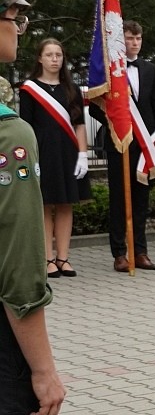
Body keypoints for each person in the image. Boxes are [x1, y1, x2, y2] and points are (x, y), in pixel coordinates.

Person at [0, 0, 67, 415]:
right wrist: (43, 370)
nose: (19, 23)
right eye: (13, 13)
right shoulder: (9, 134)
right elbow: (20, 269)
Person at [93, 21, 155, 272]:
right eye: (129, 38)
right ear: (120, 41)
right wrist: (114, 121)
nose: (134, 42)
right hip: (120, 141)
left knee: (141, 198)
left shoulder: (149, 69)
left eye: (138, 38)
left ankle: (141, 250)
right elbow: (94, 103)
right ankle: (119, 253)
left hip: (145, 144)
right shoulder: (111, 70)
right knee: (118, 198)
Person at [18, 39, 90, 278]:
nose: (54, 59)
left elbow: (79, 124)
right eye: (49, 55)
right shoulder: (29, 89)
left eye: (58, 55)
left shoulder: (71, 89)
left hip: (68, 152)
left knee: (66, 203)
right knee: (45, 204)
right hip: (42, 153)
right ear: (40, 58)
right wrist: (30, 157)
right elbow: (25, 126)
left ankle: (63, 258)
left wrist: (83, 154)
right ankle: (48, 259)